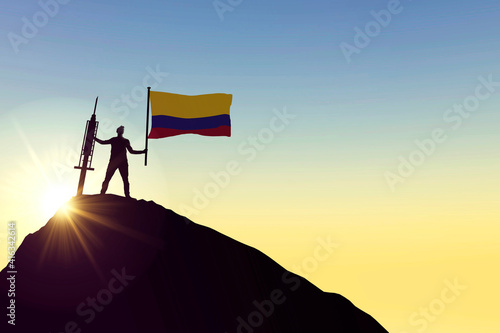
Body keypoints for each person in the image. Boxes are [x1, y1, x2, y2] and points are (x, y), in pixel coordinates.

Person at [95, 126, 146, 198]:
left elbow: (131, 151)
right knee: (107, 178)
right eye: (120, 129)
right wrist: (94, 138)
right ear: (117, 131)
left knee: (125, 179)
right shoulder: (113, 139)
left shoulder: (126, 141)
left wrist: (142, 152)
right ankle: (102, 193)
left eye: (123, 129)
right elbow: (102, 142)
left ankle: (127, 195)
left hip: (123, 162)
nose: (122, 130)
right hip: (113, 162)